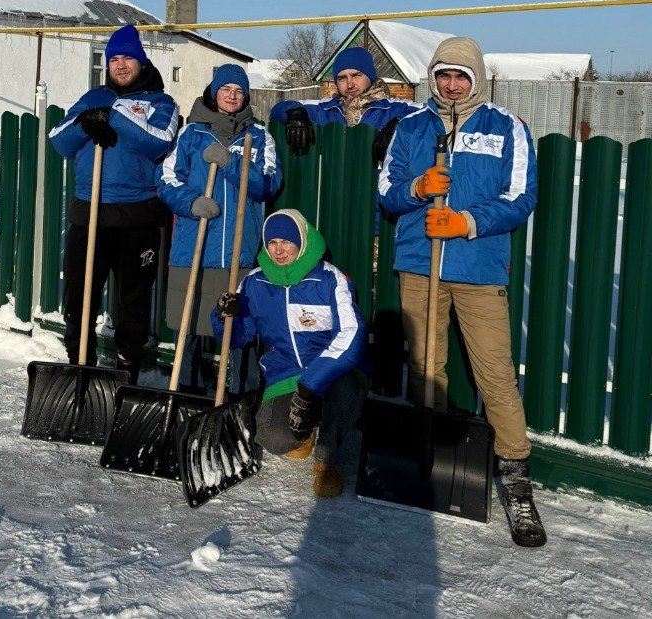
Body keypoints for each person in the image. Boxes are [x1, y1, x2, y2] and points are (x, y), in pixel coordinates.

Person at [378, 36, 545, 547]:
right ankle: (430, 453)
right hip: (418, 266)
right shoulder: (409, 127)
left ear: (476, 79)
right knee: (426, 364)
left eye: (461, 76)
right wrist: (418, 189)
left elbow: (520, 199)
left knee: (494, 372)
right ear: (432, 76)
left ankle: (515, 476)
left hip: (479, 269)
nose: (451, 85)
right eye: (443, 75)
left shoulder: (507, 128)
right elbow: (387, 190)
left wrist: (467, 222)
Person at [50, 25, 178, 383]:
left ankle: (126, 375)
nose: (121, 65)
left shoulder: (160, 103)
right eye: (114, 59)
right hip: (88, 212)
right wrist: (87, 122)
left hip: (137, 218)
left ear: (141, 61)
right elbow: (58, 140)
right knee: (78, 299)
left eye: (128, 58)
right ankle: (81, 369)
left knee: (132, 304)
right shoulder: (92, 97)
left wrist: (114, 115)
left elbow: (158, 142)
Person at [212, 209, 367, 497]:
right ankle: (303, 431)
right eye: (272, 243)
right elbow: (238, 338)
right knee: (272, 437)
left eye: (286, 242)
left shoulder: (330, 280)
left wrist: (309, 389)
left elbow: (352, 335)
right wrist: (224, 316)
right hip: (283, 372)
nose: (278, 250)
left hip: (330, 371)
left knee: (348, 391)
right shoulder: (254, 282)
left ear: (302, 243)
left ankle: (326, 457)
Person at [157, 64, 282, 395]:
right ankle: (186, 392)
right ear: (214, 92)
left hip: (239, 253)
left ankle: (242, 397)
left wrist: (232, 165)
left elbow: (268, 184)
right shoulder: (191, 134)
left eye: (239, 91)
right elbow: (167, 179)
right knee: (188, 327)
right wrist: (191, 203)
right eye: (226, 89)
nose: (232, 96)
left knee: (239, 330)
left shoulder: (260, 136)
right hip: (194, 246)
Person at [269, 46, 419, 166]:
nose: (349, 84)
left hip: (377, 195)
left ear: (370, 76)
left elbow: (432, 113)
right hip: (335, 195)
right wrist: (295, 113)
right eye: (342, 78)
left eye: (356, 75)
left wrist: (398, 124)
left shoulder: (393, 109)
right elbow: (278, 108)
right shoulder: (326, 110)